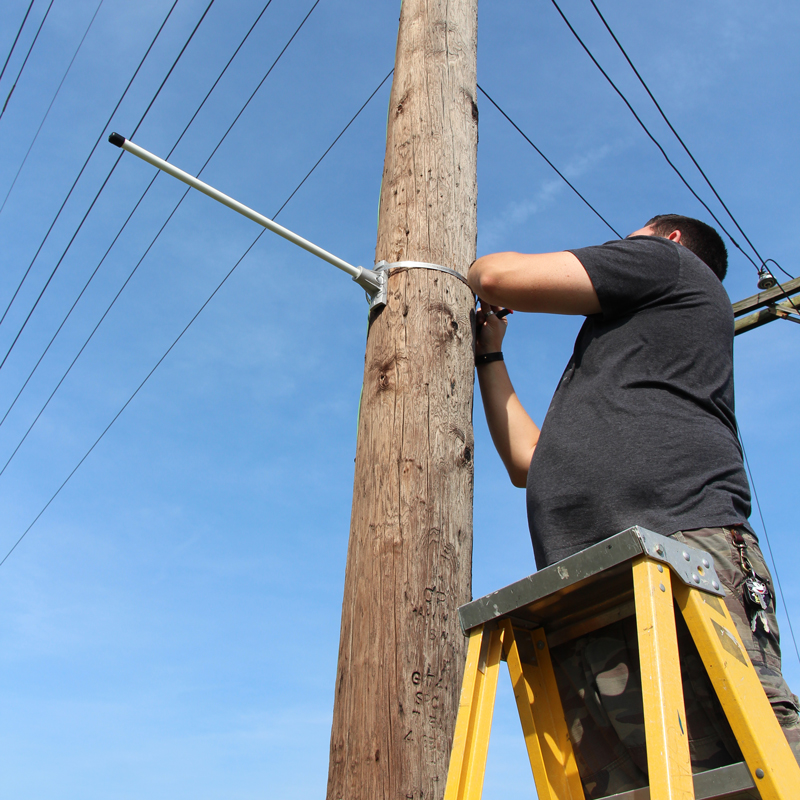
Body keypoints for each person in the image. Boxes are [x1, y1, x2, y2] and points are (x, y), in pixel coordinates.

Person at [468, 214, 800, 797]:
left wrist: (476, 276)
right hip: (591, 585)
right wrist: (490, 356)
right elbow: (527, 461)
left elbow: (492, 274)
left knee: (758, 754)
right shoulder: (619, 359)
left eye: (632, 234)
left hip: (680, 548)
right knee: (638, 784)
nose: (620, 244)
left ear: (668, 238)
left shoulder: (670, 262)